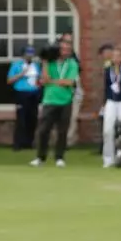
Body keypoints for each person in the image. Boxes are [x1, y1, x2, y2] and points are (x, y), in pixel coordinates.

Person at [30, 39, 79, 168]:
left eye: (68, 50)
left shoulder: (72, 63)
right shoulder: (50, 63)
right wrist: (45, 63)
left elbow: (69, 82)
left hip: (66, 101)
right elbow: (45, 80)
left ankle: (59, 157)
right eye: (63, 49)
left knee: (62, 131)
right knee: (43, 130)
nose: (66, 52)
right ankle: (40, 157)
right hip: (49, 100)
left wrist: (52, 81)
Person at [6, 45, 41, 151]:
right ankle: (17, 144)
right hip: (21, 93)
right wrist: (21, 74)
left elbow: (39, 78)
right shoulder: (17, 65)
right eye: (28, 53)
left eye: (32, 53)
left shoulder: (36, 65)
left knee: (32, 119)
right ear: (23, 54)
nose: (30, 55)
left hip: (34, 93)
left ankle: (29, 142)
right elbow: (9, 80)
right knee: (21, 119)